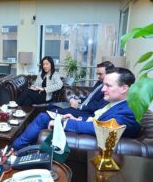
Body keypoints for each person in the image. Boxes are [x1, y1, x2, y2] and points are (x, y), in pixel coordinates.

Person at [13, 67, 141, 150]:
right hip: (82, 119)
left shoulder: (128, 111)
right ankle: (19, 146)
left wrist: (64, 122)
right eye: (103, 85)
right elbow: (97, 120)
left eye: (108, 85)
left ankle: (15, 147)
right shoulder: (117, 104)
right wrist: (77, 118)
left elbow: (102, 128)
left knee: (42, 117)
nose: (103, 89)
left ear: (124, 88)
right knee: (40, 111)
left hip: (88, 139)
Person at [48, 61, 115, 117]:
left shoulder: (109, 89)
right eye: (97, 74)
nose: (98, 76)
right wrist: (78, 100)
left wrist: (79, 106)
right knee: (51, 105)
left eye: (100, 74)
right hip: (81, 106)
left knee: (53, 111)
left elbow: (97, 108)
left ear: (109, 74)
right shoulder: (99, 83)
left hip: (87, 113)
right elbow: (90, 98)